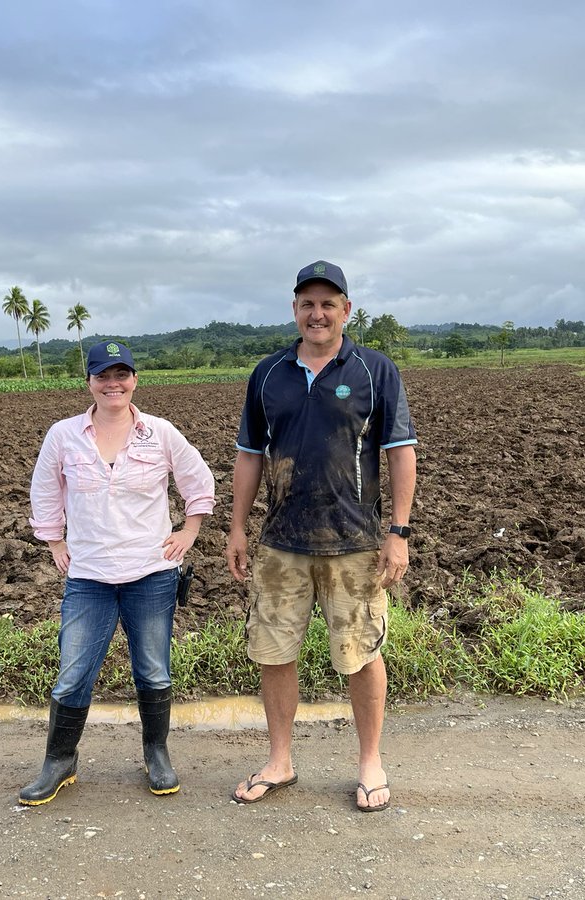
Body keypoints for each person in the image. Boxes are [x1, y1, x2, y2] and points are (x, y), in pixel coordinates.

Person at [226, 260, 418, 813]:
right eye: (307, 304)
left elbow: (400, 454)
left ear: (345, 311)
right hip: (281, 540)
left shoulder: (375, 370)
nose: (317, 313)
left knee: (361, 654)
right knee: (274, 651)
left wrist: (397, 532)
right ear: (294, 310)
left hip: (354, 541)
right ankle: (280, 760)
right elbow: (249, 456)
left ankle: (369, 762)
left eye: (328, 304)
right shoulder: (268, 374)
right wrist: (238, 528)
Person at [20, 339, 215, 806]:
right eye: (103, 376)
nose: (113, 384)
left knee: (152, 669)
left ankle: (156, 753)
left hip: (151, 572)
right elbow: (45, 490)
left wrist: (189, 530)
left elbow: (198, 479)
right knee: (73, 672)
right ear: (89, 381)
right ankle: (60, 761)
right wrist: (54, 540)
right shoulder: (63, 435)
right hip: (89, 576)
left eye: (121, 374)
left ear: (134, 379)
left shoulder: (160, 432)